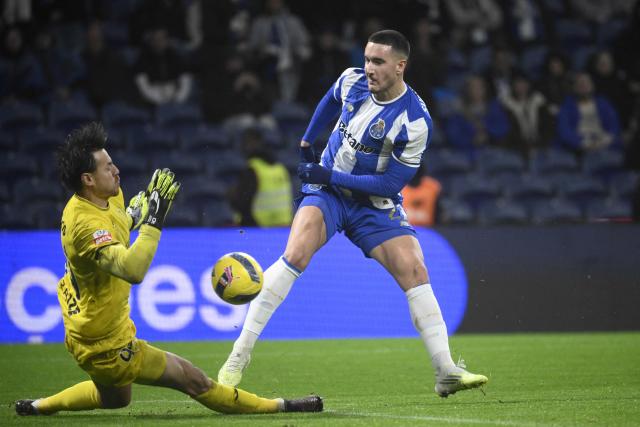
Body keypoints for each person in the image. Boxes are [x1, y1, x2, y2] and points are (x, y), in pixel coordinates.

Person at [218, 29, 488, 398]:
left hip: (371, 202)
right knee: (295, 254)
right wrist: (306, 141)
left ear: (400, 66)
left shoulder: (414, 121)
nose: (369, 68)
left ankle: (445, 371)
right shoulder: (353, 81)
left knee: (415, 270)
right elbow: (330, 98)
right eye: (366, 59)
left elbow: (390, 185)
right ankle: (239, 355)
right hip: (328, 194)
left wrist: (329, 172)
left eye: (378, 62)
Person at [14, 122, 322, 416]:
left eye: (113, 162)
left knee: (116, 399)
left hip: (87, 324)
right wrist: (153, 222)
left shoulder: (104, 199)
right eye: (107, 167)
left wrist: (133, 216)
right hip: (104, 344)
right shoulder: (84, 224)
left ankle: (38, 407)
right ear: (88, 179)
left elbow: (115, 225)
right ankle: (283, 406)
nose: (116, 169)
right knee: (195, 380)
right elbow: (132, 270)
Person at [228, 127, 293, 227]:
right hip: (284, 230)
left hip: (259, 230)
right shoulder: (280, 168)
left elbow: (243, 203)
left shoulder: (253, 170)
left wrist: (231, 195)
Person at [401, 162, 441, 227]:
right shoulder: (397, 187)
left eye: (418, 172)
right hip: (404, 229)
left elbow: (438, 212)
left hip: (428, 229)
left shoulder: (433, 187)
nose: (415, 174)